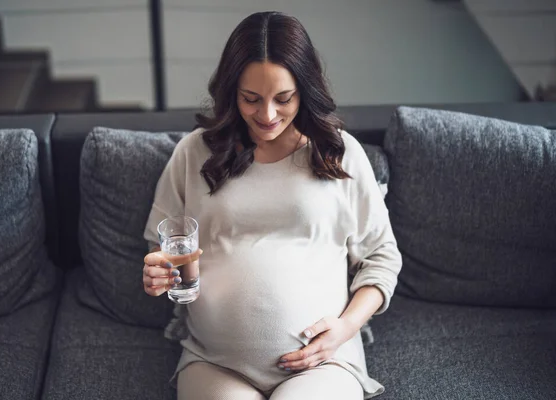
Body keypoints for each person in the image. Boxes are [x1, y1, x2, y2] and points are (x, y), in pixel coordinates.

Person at [142, 11, 402, 400]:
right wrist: (159, 273)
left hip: (323, 363)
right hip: (214, 362)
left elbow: (382, 256)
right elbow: (165, 249)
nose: (266, 115)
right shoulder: (194, 152)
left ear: (305, 89)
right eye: (251, 99)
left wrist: (345, 329)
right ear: (232, 92)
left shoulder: (339, 154)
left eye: (283, 99)